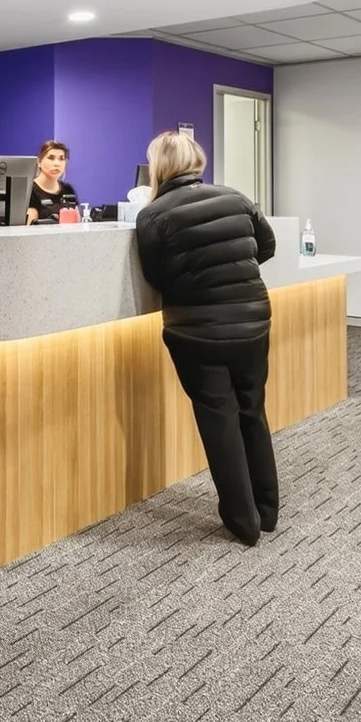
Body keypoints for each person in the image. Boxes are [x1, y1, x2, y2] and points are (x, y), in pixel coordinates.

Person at [133, 131, 278, 548]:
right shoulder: (235, 197)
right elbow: (265, 246)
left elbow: (155, 277)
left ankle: (242, 522)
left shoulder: (154, 215)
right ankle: (267, 511)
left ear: (159, 167)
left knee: (220, 420)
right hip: (253, 320)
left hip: (197, 330)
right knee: (252, 410)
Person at [26, 140, 79, 223]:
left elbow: (78, 223)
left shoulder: (68, 189)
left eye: (62, 158)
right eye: (51, 158)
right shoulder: (30, 190)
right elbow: (30, 230)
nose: (57, 163)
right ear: (39, 162)